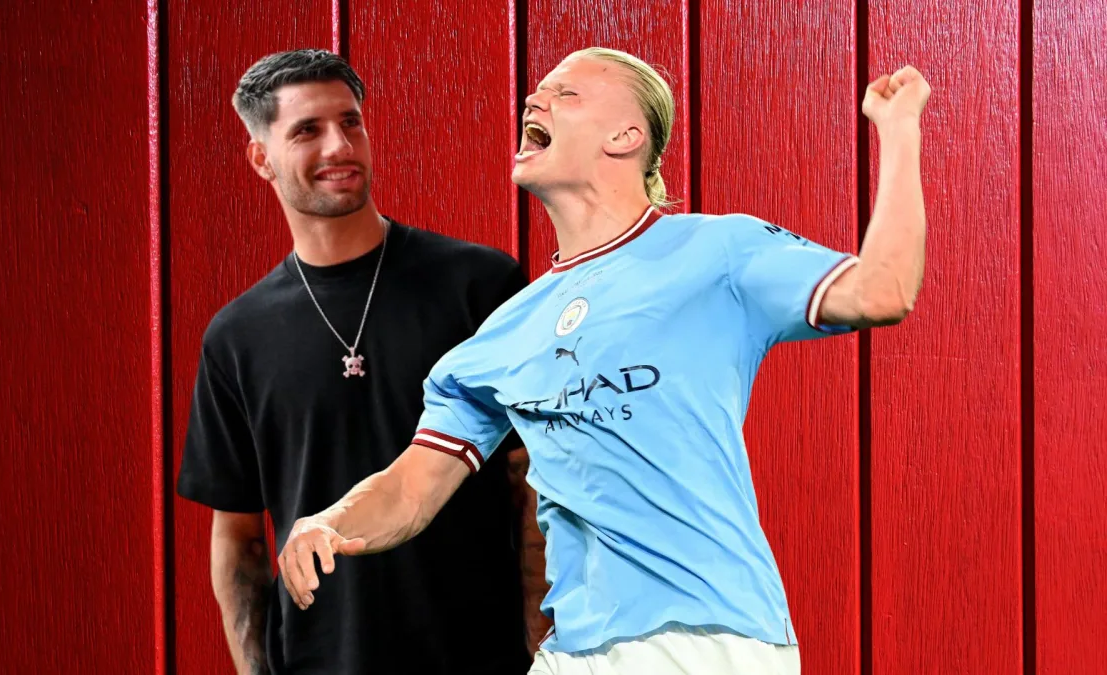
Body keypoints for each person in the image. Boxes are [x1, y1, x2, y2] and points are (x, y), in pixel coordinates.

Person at [276, 47, 930, 675]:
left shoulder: (719, 251)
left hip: (708, 641)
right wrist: (330, 520)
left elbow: (883, 289)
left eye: (566, 92)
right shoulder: (504, 333)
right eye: (540, 91)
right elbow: (412, 488)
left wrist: (898, 134)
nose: (536, 97)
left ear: (624, 136)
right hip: (577, 649)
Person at [175, 49, 533, 675]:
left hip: (481, 654)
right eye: (307, 130)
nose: (339, 145)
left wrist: (542, 643)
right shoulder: (237, 336)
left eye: (351, 122)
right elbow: (238, 538)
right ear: (262, 158)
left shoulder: (477, 284)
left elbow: (532, 483)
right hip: (322, 660)